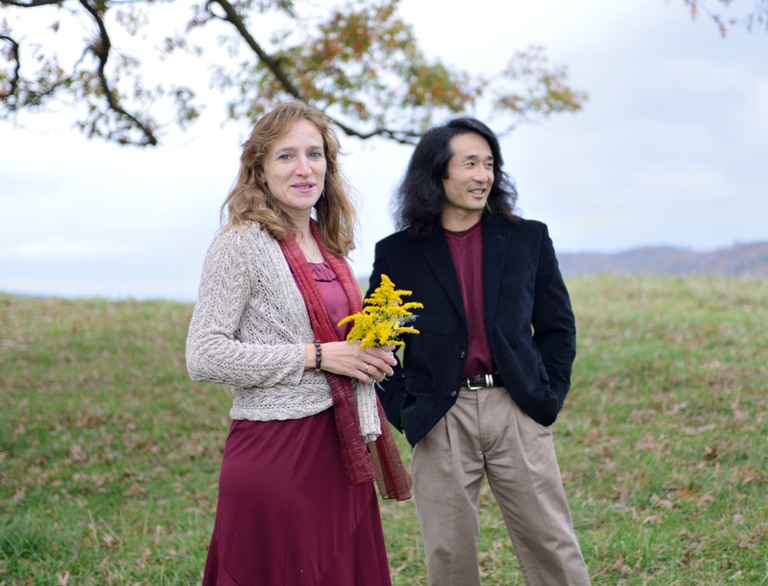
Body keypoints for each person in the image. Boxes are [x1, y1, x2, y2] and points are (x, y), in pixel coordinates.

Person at [186, 100, 411, 586]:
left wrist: (368, 353)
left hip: (341, 447)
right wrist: (317, 356)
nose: (304, 168)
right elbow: (204, 354)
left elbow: (336, 339)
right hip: (278, 450)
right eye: (286, 156)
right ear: (260, 170)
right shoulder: (240, 244)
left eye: (315, 154)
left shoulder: (330, 246)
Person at [369, 117, 591, 586]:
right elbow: (377, 345)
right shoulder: (398, 254)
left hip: (516, 407)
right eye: (469, 163)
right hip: (440, 414)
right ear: (438, 174)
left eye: (489, 164)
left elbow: (557, 327)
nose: (482, 176)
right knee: (448, 555)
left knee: (552, 545)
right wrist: (407, 411)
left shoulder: (529, 238)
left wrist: (546, 397)